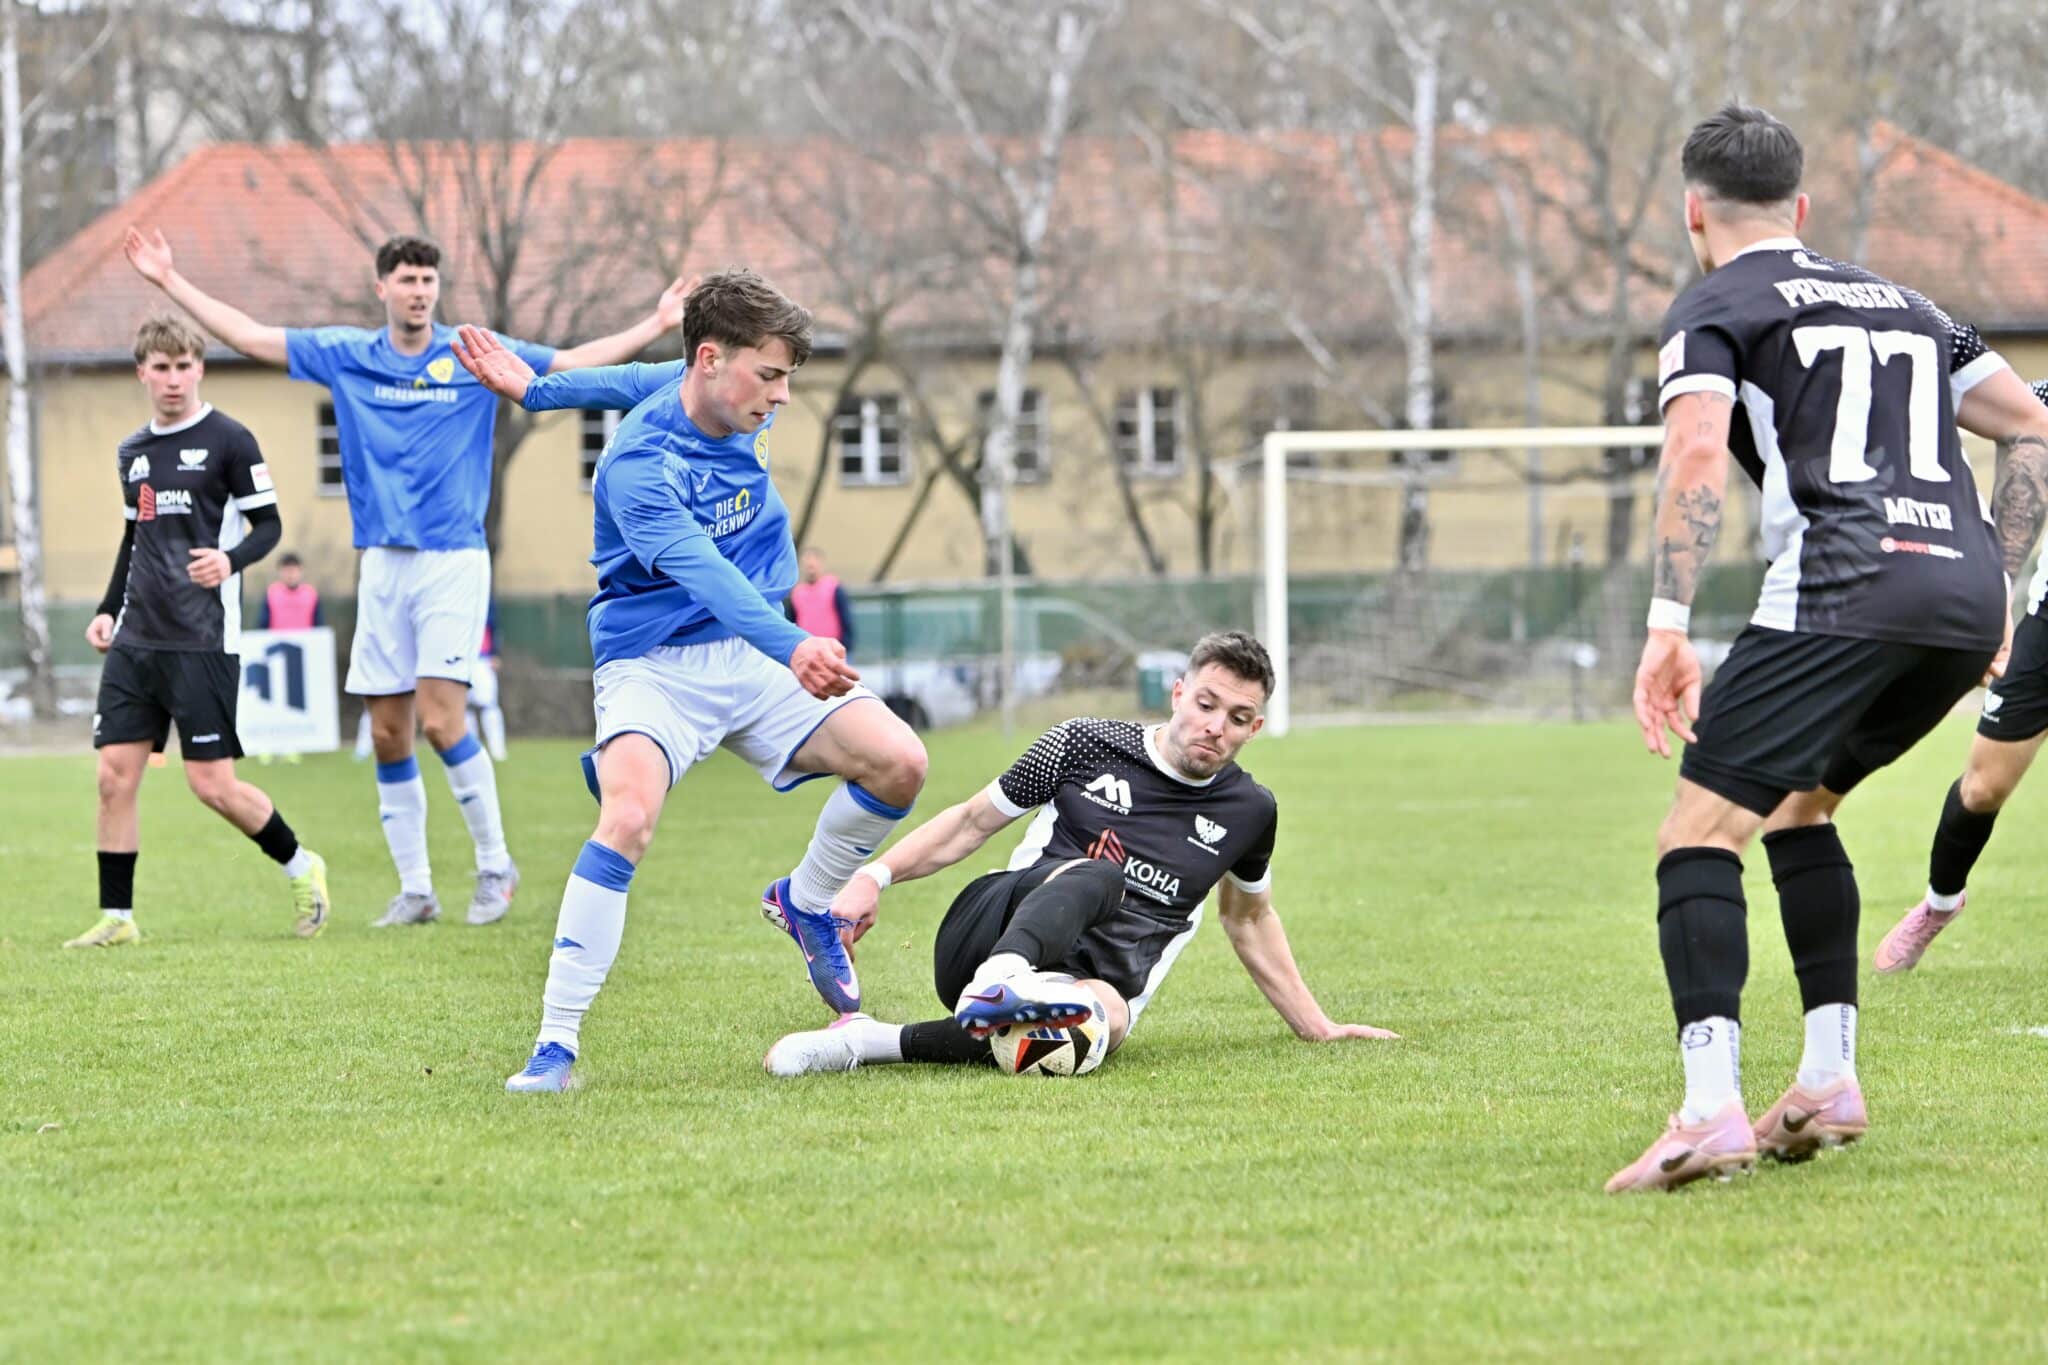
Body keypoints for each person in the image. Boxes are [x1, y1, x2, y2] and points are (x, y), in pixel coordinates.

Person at [1612, 105, 2048, 1193]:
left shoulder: (1712, 304)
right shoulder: (1907, 304)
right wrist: (2001, 580)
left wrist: (1666, 627)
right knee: (1802, 805)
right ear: (1800, 208)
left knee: (1694, 836)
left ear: (1690, 212)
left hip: (1841, 587)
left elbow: (1697, 452)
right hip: (1956, 598)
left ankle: (1707, 1111)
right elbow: (2030, 423)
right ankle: (1824, 1080)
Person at [123, 226, 691, 929]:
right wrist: (168, 281)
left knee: (442, 717)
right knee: (389, 733)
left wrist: (658, 324)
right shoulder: (349, 356)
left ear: (436, 289)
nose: (419, 291)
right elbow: (251, 335)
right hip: (383, 564)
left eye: (429, 279)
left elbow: (569, 365)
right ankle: (417, 888)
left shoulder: (472, 353)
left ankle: (494, 865)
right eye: (407, 279)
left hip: (453, 557)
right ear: (382, 287)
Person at [449, 269, 930, 1094]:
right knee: (627, 817)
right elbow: (702, 571)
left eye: (787, 378)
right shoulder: (637, 468)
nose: (780, 397)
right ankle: (554, 1046)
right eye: (769, 375)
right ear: (712, 360)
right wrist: (792, 643)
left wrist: (534, 389)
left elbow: (626, 377)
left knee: (901, 762)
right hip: (656, 666)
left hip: (750, 654)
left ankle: (808, 900)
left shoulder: (711, 391)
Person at [763, 631, 1399, 1078]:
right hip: (988, 935)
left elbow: (1250, 918)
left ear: (1254, 727)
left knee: (1092, 1032)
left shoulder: (1251, 811)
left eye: (1238, 717)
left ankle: (865, 1043)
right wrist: (873, 876)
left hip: (1098, 981)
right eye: (1206, 704)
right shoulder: (1084, 742)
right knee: (1103, 874)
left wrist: (1318, 1026)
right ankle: (1001, 983)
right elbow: (971, 822)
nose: (1216, 726)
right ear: (1178, 693)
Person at [66, 316, 330, 948]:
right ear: (142, 373)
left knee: (210, 785)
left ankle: (302, 865)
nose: (174, 379)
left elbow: (267, 526)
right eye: (161, 368)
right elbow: (136, 538)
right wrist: (108, 609)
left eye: (184, 365)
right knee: (113, 776)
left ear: (200, 368)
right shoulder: (132, 452)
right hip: (137, 640)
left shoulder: (231, 441)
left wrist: (229, 561)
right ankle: (118, 919)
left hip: (203, 637)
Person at [1875, 376, 2048, 972]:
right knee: (1982, 788)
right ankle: (1939, 904)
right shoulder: (2041, 399)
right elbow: (1992, 420)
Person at [785, 548, 855, 657]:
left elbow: (846, 618)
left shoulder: (834, 587)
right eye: (808, 565)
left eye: (813, 565)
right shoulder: (797, 593)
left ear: (821, 565)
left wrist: (846, 646)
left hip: (834, 650)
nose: (811, 568)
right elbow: (792, 621)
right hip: (808, 652)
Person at [470, 601, 509, 762]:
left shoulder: (485, 598)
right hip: (461, 659)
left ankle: (497, 749)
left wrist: (495, 652)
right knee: (464, 708)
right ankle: (470, 751)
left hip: (483, 659)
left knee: (488, 704)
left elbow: (494, 626)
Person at [258, 553, 323, 630]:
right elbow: (262, 626)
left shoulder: (311, 594)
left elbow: (319, 626)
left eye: (293, 571)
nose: (290, 575)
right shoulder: (271, 593)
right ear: (280, 572)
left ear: (300, 571)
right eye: (286, 571)